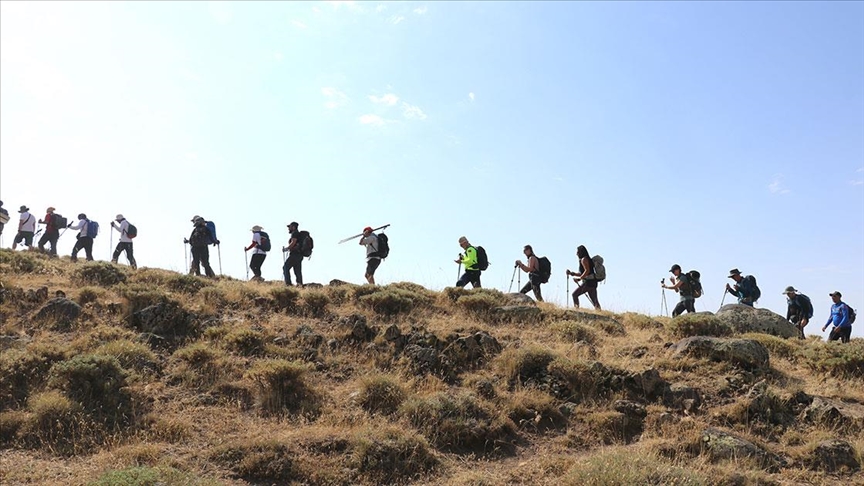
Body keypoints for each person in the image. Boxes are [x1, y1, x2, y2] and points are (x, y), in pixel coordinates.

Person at [566, 245, 601, 310]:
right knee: (595, 301)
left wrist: (579, 279)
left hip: (588, 283)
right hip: (593, 282)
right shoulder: (587, 259)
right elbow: (583, 273)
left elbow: (587, 271)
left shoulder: (584, 259)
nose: (576, 254)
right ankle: (601, 314)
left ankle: (576, 311)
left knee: (575, 295)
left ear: (581, 252)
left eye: (578, 252)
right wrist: (572, 274)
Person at [282, 221, 303, 286]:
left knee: (285, 267)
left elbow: (293, 242)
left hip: (294, 254)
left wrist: (287, 249)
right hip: (300, 254)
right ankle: (299, 284)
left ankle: (288, 284)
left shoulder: (294, 233)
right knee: (297, 270)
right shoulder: (299, 234)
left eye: (289, 227)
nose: (288, 228)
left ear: (293, 227)